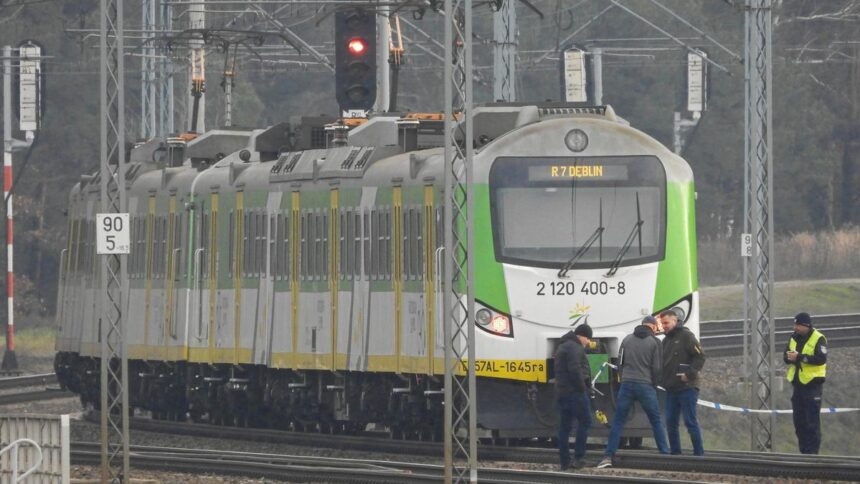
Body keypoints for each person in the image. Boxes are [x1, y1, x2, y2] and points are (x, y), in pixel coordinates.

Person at [596, 316, 669, 469]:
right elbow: (657, 368)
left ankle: (608, 457)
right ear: (653, 326)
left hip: (627, 385)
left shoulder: (627, 340)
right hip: (645, 385)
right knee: (655, 421)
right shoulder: (655, 342)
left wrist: (624, 379)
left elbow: (620, 363)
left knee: (618, 422)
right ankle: (665, 456)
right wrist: (654, 384)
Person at [660, 309, 706, 456]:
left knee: (690, 422)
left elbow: (700, 357)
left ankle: (699, 455)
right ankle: (675, 454)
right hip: (671, 389)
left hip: (688, 387)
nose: (664, 326)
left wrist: (689, 374)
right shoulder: (665, 341)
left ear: (675, 321)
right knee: (670, 422)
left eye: (666, 323)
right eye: (662, 323)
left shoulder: (686, 336)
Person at [784, 312, 827, 455]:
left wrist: (800, 357)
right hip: (798, 386)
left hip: (812, 387)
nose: (795, 327)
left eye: (798, 325)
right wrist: (789, 357)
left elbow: (821, 359)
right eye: (794, 324)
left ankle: (812, 456)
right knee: (799, 423)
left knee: (812, 423)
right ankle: (804, 454)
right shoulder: (794, 337)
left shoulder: (818, 338)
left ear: (806, 325)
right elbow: (785, 355)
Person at [554, 324, 594, 471]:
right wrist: (583, 388)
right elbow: (575, 370)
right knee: (586, 421)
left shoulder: (563, 345)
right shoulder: (575, 347)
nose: (588, 342)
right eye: (587, 338)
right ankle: (579, 458)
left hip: (562, 392)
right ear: (581, 336)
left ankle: (564, 461)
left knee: (565, 427)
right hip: (575, 393)